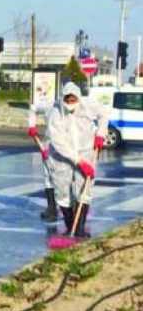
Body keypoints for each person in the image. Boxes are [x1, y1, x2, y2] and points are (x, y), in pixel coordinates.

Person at [46, 82, 108, 237]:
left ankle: (79, 228)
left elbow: (104, 113)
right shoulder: (55, 114)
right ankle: (69, 226)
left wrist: (100, 134)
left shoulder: (87, 105)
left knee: (84, 189)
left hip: (86, 152)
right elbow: (58, 143)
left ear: (79, 98)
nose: (71, 103)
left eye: (74, 100)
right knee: (62, 192)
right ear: (63, 99)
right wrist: (78, 161)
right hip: (61, 158)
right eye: (68, 100)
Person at [28, 92, 60, 221]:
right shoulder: (51, 106)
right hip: (49, 146)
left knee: (68, 178)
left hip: (67, 148)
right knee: (48, 177)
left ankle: (70, 208)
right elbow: (33, 108)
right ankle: (51, 208)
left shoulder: (76, 109)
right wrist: (31, 125)